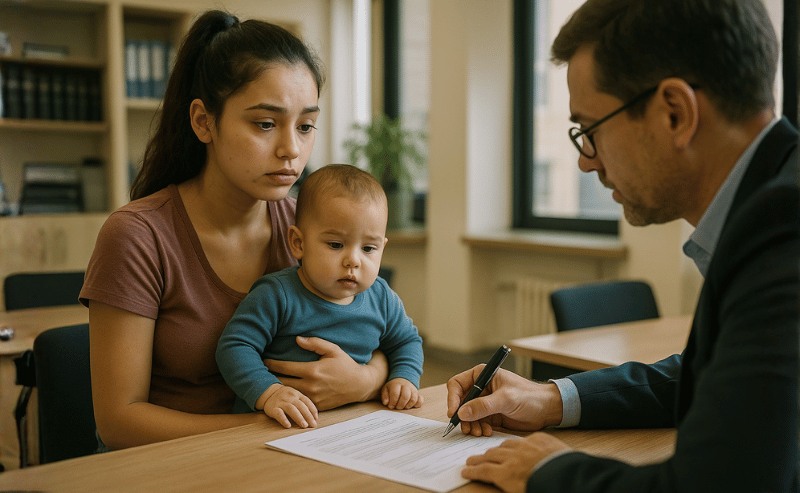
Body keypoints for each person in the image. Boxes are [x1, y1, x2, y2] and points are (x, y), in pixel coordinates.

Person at [446, 1, 799, 491]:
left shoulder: (783, 228)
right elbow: (721, 379)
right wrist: (550, 398)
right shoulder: (775, 200)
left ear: (675, 113)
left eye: (589, 131)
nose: (585, 164)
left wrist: (551, 470)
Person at [79, 11, 389, 450]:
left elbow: (381, 324)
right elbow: (118, 422)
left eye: (305, 126)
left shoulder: (312, 227)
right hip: (176, 468)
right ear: (204, 121)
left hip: (293, 456)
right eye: (265, 124)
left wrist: (364, 380)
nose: (291, 150)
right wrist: (265, 428)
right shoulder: (138, 236)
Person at [216, 164, 424, 429]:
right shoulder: (276, 294)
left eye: (368, 248)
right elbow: (234, 347)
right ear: (298, 244)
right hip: (275, 426)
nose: (353, 260)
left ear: (382, 247)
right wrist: (269, 392)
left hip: (349, 428)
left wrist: (404, 378)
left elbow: (407, 341)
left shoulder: (381, 297)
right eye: (336, 245)